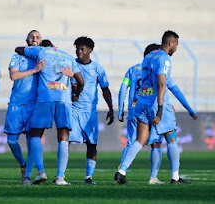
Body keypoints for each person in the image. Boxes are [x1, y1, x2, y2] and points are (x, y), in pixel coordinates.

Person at [115, 30, 198, 185]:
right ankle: (175, 177)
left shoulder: (147, 57)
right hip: (156, 103)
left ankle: (121, 171)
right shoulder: (164, 59)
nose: (176, 48)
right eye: (176, 45)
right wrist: (160, 110)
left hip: (141, 103)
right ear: (170, 43)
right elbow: (161, 84)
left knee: (140, 140)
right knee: (171, 138)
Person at [15, 39, 84, 185]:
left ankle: (40, 171)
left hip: (46, 97)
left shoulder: (40, 51)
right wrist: (76, 94)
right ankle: (60, 177)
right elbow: (81, 81)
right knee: (63, 135)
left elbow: (18, 49)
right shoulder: (67, 56)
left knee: (35, 134)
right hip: (64, 98)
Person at [68, 36, 114, 185]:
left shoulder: (97, 69)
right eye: (77, 49)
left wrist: (111, 108)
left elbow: (105, 90)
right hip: (73, 110)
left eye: (82, 49)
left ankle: (88, 177)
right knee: (65, 141)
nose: (79, 51)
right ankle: (60, 175)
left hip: (90, 112)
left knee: (92, 144)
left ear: (90, 51)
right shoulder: (71, 65)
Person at [118, 43, 165, 184]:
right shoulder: (156, 69)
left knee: (132, 142)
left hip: (134, 109)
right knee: (156, 142)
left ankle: (121, 170)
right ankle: (153, 177)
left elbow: (123, 88)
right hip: (152, 109)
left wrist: (120, 110)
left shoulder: (132, 70)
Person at [5, 30, 45, 185]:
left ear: (40, 41)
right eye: (32, 37)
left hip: (33, 106)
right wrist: (34, 70)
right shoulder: (17, 57)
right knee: (12, 140)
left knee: (31, 141)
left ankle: (27, 176)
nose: (35, 39)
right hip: (16, 104)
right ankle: (23, 164)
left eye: (37, 37)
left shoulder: (42, 57)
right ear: (27, 40)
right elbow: (13, 76)